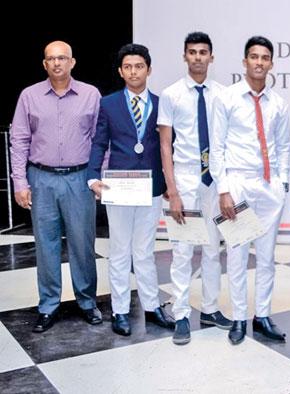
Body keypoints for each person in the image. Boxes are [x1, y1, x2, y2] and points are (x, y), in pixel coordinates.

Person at [10, 40, 102, 332]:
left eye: (63, 58)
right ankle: (48, 305)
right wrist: (20, 182)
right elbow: (19, 140)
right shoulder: (29, 96)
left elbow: (101, 141)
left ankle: (87, 302)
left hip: (79, 179)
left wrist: (100, 176)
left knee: (82, 244)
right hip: (42, 179)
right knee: (46, 245)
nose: (58, 63)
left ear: (72, 62)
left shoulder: (90, 94)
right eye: (52, 59)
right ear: (45, 64)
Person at [88, 43, 174, 336]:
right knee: (120, 250)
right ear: (120, 71)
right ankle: (121, 311)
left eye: (139, 66)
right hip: (120, 186)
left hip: (150, 187)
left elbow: (168, 147)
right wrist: (92, 177)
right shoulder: (108, 103)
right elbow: (99, 142)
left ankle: (152, 308)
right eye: (128, 67)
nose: (134, 71)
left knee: (145, 251)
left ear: (148, 69)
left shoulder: (163, 104)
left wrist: (169, 183)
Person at [210, 36, 290, 345]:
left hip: (269, 187)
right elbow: (216, 149)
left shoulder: (278, 103)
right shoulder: (227, 98)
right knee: (237, 255)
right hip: (238, 184)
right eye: (254, 57)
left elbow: (283, 147)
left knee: (268, 257)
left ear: (271, 64)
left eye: (265, 57)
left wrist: (282, 185)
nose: (259, 62)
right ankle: (239, 318)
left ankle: (263, 315)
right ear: (244, 62)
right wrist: (224, 190)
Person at [158, 31, 232, 345]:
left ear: (211, 57)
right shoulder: (171, 94)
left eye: (203, 52)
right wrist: (172, 190)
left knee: (214, 249)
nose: (198, 57)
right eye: (192, 52)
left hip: (214, 181)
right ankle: (181, 315)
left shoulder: (222, 94)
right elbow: (165, 145)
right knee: (183, 251)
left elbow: (229, 141)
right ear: (185, 56)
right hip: (187, 180)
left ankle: (211, 308)